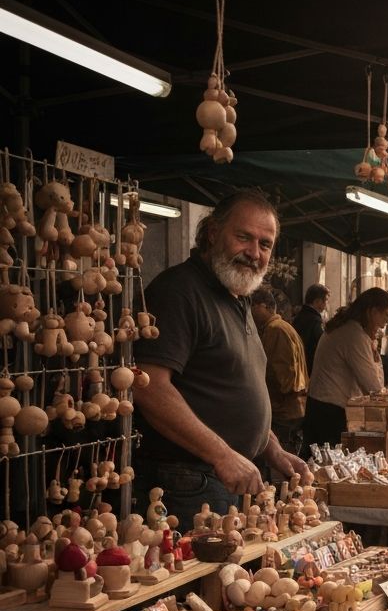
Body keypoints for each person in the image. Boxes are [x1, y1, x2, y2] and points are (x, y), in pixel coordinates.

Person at [132, 190, 311, 523]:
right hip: (189, 482)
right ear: (213, 233)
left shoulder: (238, 296)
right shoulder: (180, 291)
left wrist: (270, 446)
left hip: (228, 474)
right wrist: (222, 454)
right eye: (244, 237)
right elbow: (148, 385)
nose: (254, 253)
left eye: (265, 244)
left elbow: (226, 386)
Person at [304, 287, 388, 449]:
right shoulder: (354, 334)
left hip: (322, 406)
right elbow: (373, 386)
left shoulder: (349, 328)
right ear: (373, 312)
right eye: (386, 314)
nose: (387, 321)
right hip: (330, 411)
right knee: (327, 467)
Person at [250, 287, 308, 457]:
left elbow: (284, 374)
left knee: (279, 460)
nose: (250, 311)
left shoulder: (276, 329)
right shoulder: (281, 327)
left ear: (265, 306)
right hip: (289, 408)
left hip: (284, 409)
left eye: (254, 306)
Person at [291, 283, 330, 375]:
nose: (326, 304)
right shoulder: (315, 320)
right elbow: (322, 343)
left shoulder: (300, 316)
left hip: (299, 365)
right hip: (310, 367)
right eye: (326, 301)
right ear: (317, 301)